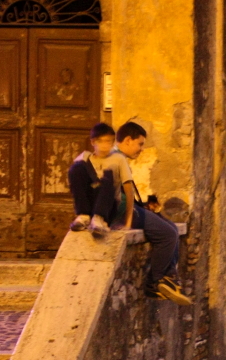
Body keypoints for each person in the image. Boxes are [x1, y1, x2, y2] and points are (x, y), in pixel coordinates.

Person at [67, 122, 190, 306]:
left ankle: (169, 277)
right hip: (121, 212)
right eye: (140, 144)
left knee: (171, 227)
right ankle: (156, 281)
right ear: (127, 140)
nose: (141, 149)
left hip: (123, 209)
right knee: (168, 233)